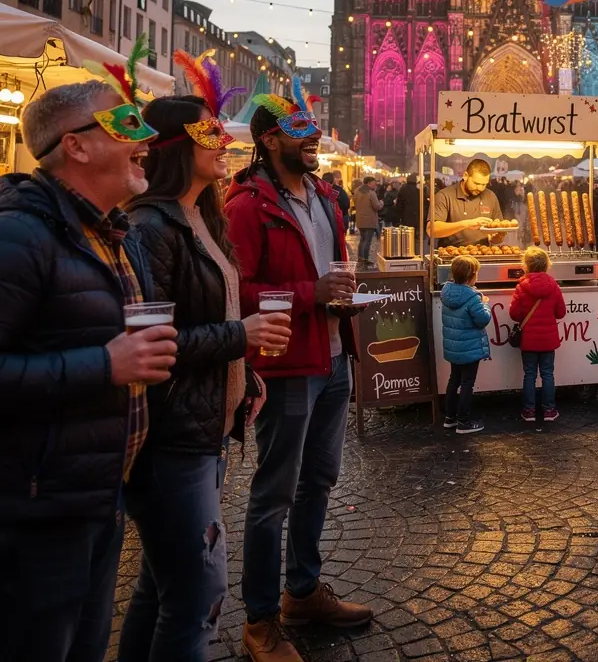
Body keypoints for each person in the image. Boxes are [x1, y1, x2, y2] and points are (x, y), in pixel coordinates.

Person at [0, 73, 179, 662]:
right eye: (127, 123)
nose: (146, 137)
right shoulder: (20, 236)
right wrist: (102, 365)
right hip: (38, 511)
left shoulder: (112, 234)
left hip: (100, 495)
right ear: (74, 145)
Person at [121, 69, 293, 661]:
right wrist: (239, 337)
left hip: (205, 427)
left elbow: (209, 317)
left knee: (158, 585)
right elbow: (154, 342)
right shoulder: (150, 227)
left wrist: (246, 375)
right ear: (175, 146)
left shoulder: (203, 217)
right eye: (207, 131)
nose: (222, 140)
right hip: (172, 437)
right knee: (198, 594)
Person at [225, 81, 371, 662]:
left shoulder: (326, 197)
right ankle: (260, 620)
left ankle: (303, 591)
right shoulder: (246, 206)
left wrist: (340, 294)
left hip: (334, 355)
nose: (312, 139)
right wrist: (311, 292)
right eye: (299, 131)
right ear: (268, 140)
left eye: (312, 130)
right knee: (274, 492)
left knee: (320, 480)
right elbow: (238, 293)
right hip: (288, 363)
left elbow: (329, 269)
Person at [510, 247, 567, 423]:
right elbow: (561, 312)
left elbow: (514, 314)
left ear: (525, 265)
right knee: (548, 374)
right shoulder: (554, 286)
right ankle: (549, 410)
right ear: (547, 265)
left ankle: (529, 411)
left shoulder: (521, 287)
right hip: (548, 340)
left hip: (529, 340)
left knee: (530, 374)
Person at [440, 255, 492, 435]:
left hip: (453, 347)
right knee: (467, 384)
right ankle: (464, 422)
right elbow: (482, 320)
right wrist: (486, 305)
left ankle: (450, 418)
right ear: (471, 276)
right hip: (469, 349)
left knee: (454, 380)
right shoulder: (473, 298)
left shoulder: (446, 292)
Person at [429, 159, 505, 247]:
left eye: (484, 184)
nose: (480, 188)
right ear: (465, 176)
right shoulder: (444, 196)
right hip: (452, 255)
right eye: (476, 183)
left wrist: (498, 237)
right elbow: (431, 230)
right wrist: (467, 224)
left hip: (483, 254)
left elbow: (497, 238)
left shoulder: (490, 196)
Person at [353, 175, 383, 266]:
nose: (375, 185)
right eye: (374, 183)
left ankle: (360, 258)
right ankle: (365, 259)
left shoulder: (357, 191)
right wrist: (382, 202)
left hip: (360, 219)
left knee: (362, 239)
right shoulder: (371, 192)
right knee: (367, 241)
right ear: (369, 183)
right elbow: (377, 206)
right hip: (369, 220)